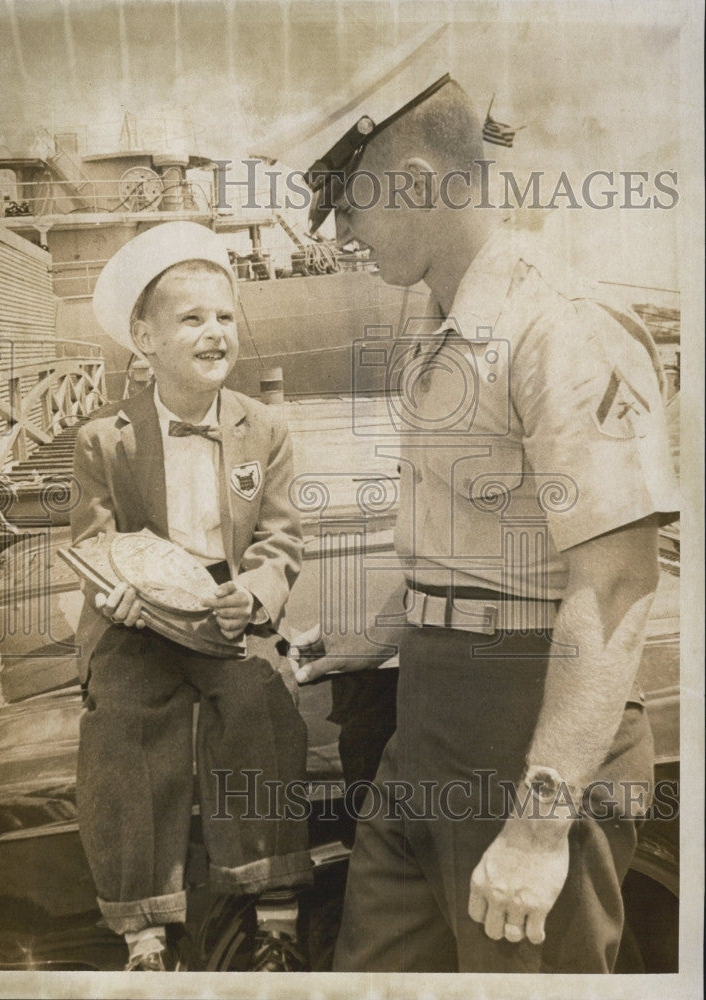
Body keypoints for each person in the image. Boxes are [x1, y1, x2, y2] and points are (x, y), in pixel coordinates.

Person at [293, 75, 679, 972]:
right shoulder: (441, 333)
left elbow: (616, 581)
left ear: (420, 182)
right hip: (426, 720)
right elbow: (474, 547)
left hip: (531, 723)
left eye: (348, 205)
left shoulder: (561, 328)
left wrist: (541, 825)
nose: (340, 233)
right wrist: (380, 633)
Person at [72, 221, 311, 971]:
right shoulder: (104, 440)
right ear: (144, 338)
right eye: (191, 319)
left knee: (261, 711)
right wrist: (113, 594)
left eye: (224, 316)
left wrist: (255, 592)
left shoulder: (265, 428)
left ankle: (275, 911)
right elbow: (94, 541)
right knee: (125, 727)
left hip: (223, 614)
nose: (215, 333)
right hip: (138, 622)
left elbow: (281, 543)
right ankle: (145, 932)